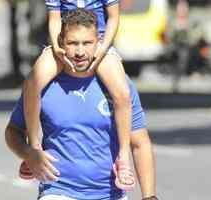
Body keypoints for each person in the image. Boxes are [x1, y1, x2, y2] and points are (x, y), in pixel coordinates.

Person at [6, 9, 158, 200]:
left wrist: (149, 197)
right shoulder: (42, 85)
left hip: (110, 194)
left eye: (87, 43)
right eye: (72, 43)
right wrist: (29, 153)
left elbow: (139, 143)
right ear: (61, 42)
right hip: (58, 191)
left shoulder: (119, 87)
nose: (79, 52)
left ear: (99, 42)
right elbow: (13, 131)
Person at [21, 0, 133, 188]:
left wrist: (102, 48)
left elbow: (113, 17)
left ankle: (123, 159)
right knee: (32, 83)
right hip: (65, 43)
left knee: (122, 93)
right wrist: (58, 49)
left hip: (98, 43)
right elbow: (55, 19)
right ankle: (34, 149)